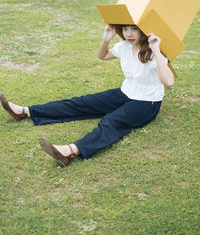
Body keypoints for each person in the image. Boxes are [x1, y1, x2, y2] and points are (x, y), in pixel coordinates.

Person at [0, 25, 174, 166]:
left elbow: (169, 81)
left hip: (146, 103)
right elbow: (103, 55)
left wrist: (156, 49)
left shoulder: (152, 54)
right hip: (125, 92)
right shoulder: (124, 46)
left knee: (112, 121)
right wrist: (106, 40)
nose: (128, 33)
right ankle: (24, 111)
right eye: (125, 28)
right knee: (81, 103)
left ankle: (70, 151)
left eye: (134, 29)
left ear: (144, 30)